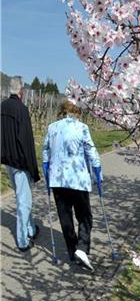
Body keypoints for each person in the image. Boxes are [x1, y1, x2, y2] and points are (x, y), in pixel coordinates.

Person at [42, 100, 102, 271]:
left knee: (65, 216)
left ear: (62, 111)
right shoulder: (81, 127)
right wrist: (98, 170)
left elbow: (45, 151)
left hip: (58, 180)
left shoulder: (52, 127)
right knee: (84, 216)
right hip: (77, 179)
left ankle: (72, 251)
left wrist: (46, 169)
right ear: (75, 111)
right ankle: (82, 248)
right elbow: (91, 150)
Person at [1, 76, 41, 252]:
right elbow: (26, 141)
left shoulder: (2, 107)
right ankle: (23, 239)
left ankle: (31, 228)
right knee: (24, 201)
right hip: (20, 162)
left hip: (7, 160)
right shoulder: (21, 110)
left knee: (22, 197)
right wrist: (33, 168)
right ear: (21, 91)